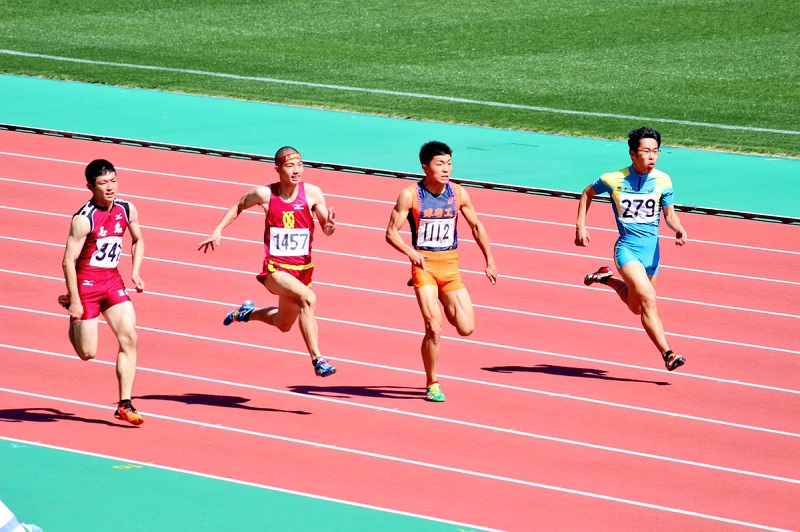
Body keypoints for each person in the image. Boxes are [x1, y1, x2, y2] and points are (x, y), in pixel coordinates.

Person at [198, 146, 337, 377]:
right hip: (276, 270)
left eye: (300, 165)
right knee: (308, 299)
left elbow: (327, 227)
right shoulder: (264, 195)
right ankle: (318, 359)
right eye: (290, 166)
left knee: (283, 324)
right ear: (278, 169)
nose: (296, 170)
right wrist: (218, 229)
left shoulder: (313, 193)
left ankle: (246, 313)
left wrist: (330, 227)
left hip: (302, 271)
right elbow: (238, 205)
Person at [386, 141, 497, 402]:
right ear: (425, 167)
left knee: (466, 328)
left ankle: (439, 297)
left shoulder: (458, 193)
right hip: (423, 267)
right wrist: (411, 253)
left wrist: (489, 259)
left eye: (449, 163)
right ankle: (432, 382)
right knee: (433, 328)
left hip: (450, 268)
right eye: (440, 164)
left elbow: (477, 226)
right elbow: (391, 233)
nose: (446, 169)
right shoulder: (410, 195)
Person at [574, 126, 687, 371]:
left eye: (656, 151)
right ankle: (667, 353)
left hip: (652, 255)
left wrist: (678, 228)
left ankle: (607, 279)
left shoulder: (663, 180)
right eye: (646, 151)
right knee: (648, 299)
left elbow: (670, 215)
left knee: (637, 307)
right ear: (632, 154)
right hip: (627, 250)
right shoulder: (613, 179)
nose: (652, 157)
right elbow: (587, 192)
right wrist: (580, 225)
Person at [59, 159, 146, 425]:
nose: (110, 188)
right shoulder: (83, 220)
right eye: (103, 183)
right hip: (86, 286)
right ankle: (72, 313)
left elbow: (139, 239)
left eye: (113, 181)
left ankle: (125, 404)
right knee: (88, 353)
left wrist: (135, 271)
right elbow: (67, 261)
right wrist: (75, 300)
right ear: (90, 186)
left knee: (130, 337)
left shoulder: (127, 208)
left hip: (112, 282)